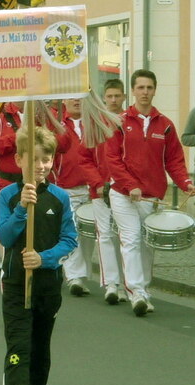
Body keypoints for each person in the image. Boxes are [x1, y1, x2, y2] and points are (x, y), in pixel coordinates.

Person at [0, 126, 77, 385]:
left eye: (47, 159)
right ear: (19, 159)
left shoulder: (60, 198)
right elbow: (4, 236)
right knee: (19, 345)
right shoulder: (8, 195)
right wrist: (21, 209)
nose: (42, 166)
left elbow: (70, 240)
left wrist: (43, 258)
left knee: (41, 347)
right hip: (16, 284)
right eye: (35, 160)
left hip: (47, 286)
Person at [105, 69, 194, 317]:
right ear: (133, 90)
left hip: (152, 196)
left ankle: (143, 290)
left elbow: (174, 160)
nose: (145, 92)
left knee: (147, 245)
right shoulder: (120, 122)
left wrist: (185, 182)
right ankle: (136, 293)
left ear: (155, 90)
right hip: (123, 195)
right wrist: (129, 184)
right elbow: (112, 158)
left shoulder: (165, 125)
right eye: (141, 87)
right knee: (131, 239)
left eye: (149, 88)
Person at [77, 79, 126, 304]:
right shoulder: (94, 124)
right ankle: (111, 284)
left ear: (124, 97)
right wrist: (96, 183)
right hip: (100, 190)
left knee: (126, 238)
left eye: (118, 96)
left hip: (124, 189)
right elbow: (84, 158)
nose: (114, 100)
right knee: (104, 236)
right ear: (104, 98)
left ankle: (129, 284)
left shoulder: (129, 122)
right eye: (110, 96)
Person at [55, 98, 95, 297]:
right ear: (64, 101)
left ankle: (82, 274)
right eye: (72, 97)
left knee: (88, 234)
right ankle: (74, 276)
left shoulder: (94, 124)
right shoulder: (58, 124)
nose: (77, 101)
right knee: (72, 231)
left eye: (80, 97)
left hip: (92, 187)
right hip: (66, 187)